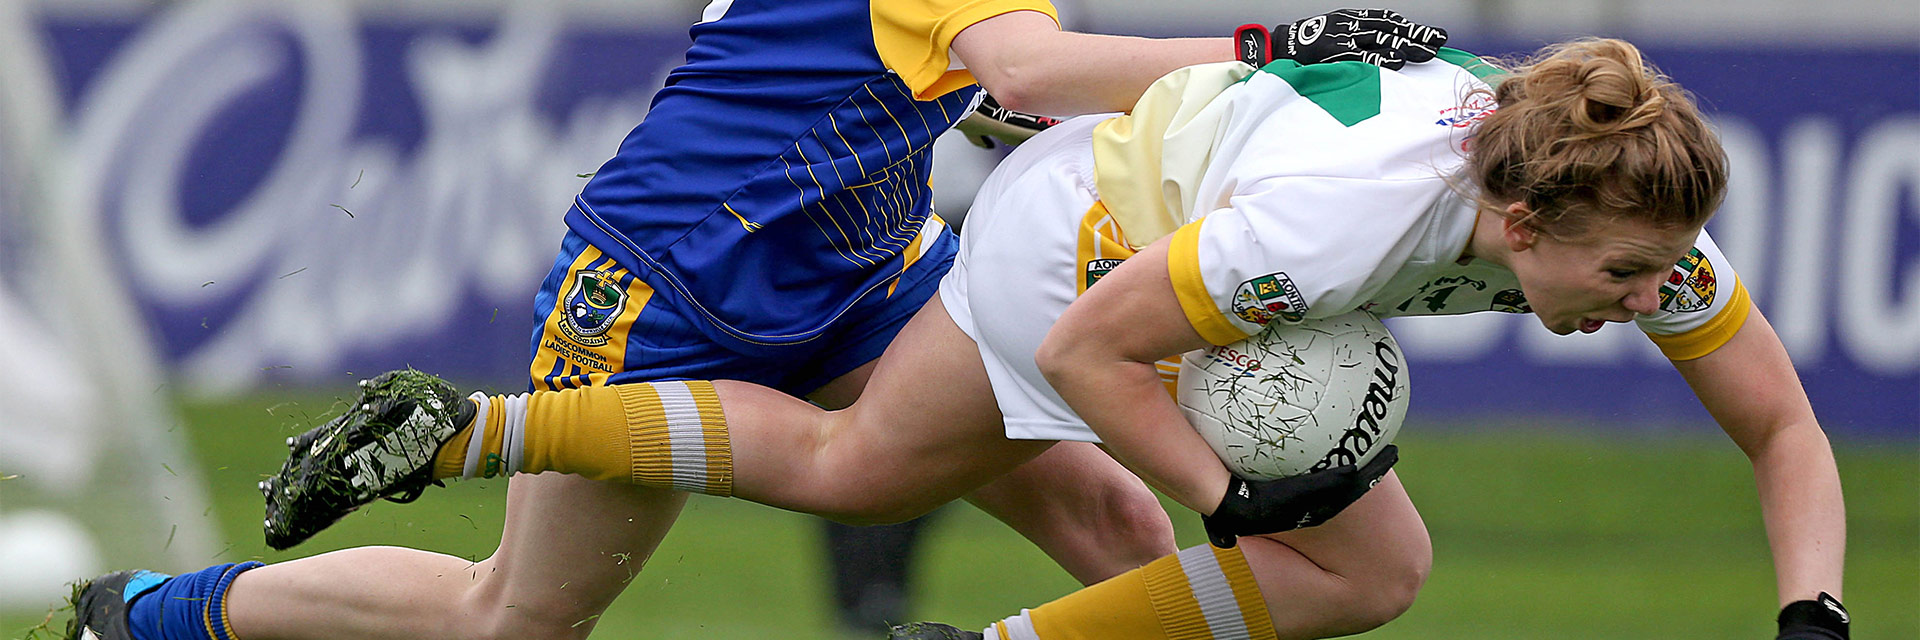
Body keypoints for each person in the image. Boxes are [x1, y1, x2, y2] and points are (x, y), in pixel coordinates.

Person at [265, 36, 1848, 640]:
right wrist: (1232, 498)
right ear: (1522, 221)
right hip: (1079, 237)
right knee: (865, 475)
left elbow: (1782, 429)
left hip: (1165, 207)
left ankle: (469, 431)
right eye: (1628, 277)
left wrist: (1813, 616)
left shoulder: (1634, 213)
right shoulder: (1342, 226)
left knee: (1290, 561)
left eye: (1662, 275)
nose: (1651, 300)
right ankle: (480, 431)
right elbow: (1097, 349)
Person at [66, 4, 1449, 640]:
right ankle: (152, 619)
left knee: (1120, 528)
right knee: (513, 620)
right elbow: (1030, 60)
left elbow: (970, 78)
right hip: (674, 289)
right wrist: (1276, 49)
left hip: (865, 271)